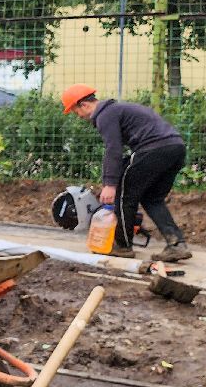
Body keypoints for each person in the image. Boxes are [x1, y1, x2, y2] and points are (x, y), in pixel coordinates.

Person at [61, 83, 191, 262]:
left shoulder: (105, 115)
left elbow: (113, 149)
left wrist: (110, 184)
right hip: (175, 148)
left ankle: (122, 246)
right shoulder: (117, 110)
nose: (79, 117)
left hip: (153, 149)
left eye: (76, 112)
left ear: (84, 105)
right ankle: (177, 244)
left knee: (124, 195)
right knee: (151, 198)